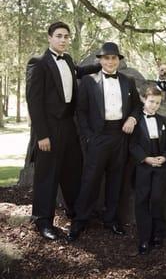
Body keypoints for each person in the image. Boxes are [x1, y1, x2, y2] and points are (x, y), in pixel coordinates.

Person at [26, 21, 101, 240]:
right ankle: (42, 221)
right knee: (47, 176)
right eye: (58, 35)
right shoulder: (38, 63)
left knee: (73, 172)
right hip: (48, 128)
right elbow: (34, 102)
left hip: (69, 125)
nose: (63, 39)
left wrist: (101, 65)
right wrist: (42, 135)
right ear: (49, 37)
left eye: (66, 36)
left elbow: (78, 71)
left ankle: (76, 213)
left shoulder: (67, 59)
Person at [67, 42, 142, 241]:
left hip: (121, 135)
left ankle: (111, 220)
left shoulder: (128, 81)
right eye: (106, 58)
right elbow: (81, 112)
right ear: (100, 60)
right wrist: (89, 137)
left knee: (116, 179)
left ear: (119, 60)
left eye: (114, 58)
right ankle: (80, 221)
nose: (110, 61)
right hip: (98, 137)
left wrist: (132, 118)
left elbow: (137, 106)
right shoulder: (89, 81)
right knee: (90, 179)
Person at [129, 86, 166, 255]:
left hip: (160, 165)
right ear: (144, 100)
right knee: (141, 200)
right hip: (143, 166)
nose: (154, 106)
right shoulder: (136, 120)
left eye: (157, 103)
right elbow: (132, 145)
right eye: (151, 102)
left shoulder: (163, 121)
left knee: (156, 198)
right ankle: (144, 238)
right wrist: (145, 159)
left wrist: (165, 157)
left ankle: (158, 233)